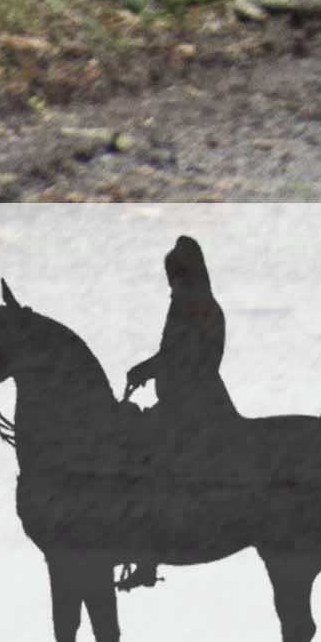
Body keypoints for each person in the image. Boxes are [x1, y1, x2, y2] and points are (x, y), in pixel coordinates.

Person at [110, 233, 237, 590]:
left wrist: (147, 369)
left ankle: (147, 553)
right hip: (184, 400)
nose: (171, 285)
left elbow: (185, 357)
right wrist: (150, 369)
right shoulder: (192, 303)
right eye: (170, 279)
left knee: (147, 462)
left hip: (194, 406)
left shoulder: (195, 306)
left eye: (174, 278)